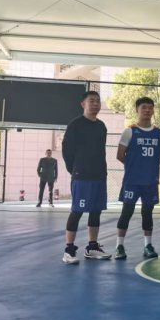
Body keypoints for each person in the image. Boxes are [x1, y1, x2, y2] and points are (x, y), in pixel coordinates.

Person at [62, 90, 110, 263]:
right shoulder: (75, 125)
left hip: (99, 176)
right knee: (77, 211)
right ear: (83, 104)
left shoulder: (101, 126)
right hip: (81, 176)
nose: (95, 104)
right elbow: (67, 151)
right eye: (91, 101)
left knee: (96, 211)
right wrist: (75, 170)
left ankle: (92, 247)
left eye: (98, 101)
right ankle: (69, 251)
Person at [114, 97, 160, 260]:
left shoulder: (159, 133)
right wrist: (135, 167)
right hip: (132, 181)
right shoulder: (130, 131)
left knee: (147, 213)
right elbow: (120, 155)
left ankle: (147, 245)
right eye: (144, 107)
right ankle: (119, 246)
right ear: (137, 110)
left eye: (150, 107)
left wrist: (147, 168)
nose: (147, 110)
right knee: (127, 212)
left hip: (150, 181)